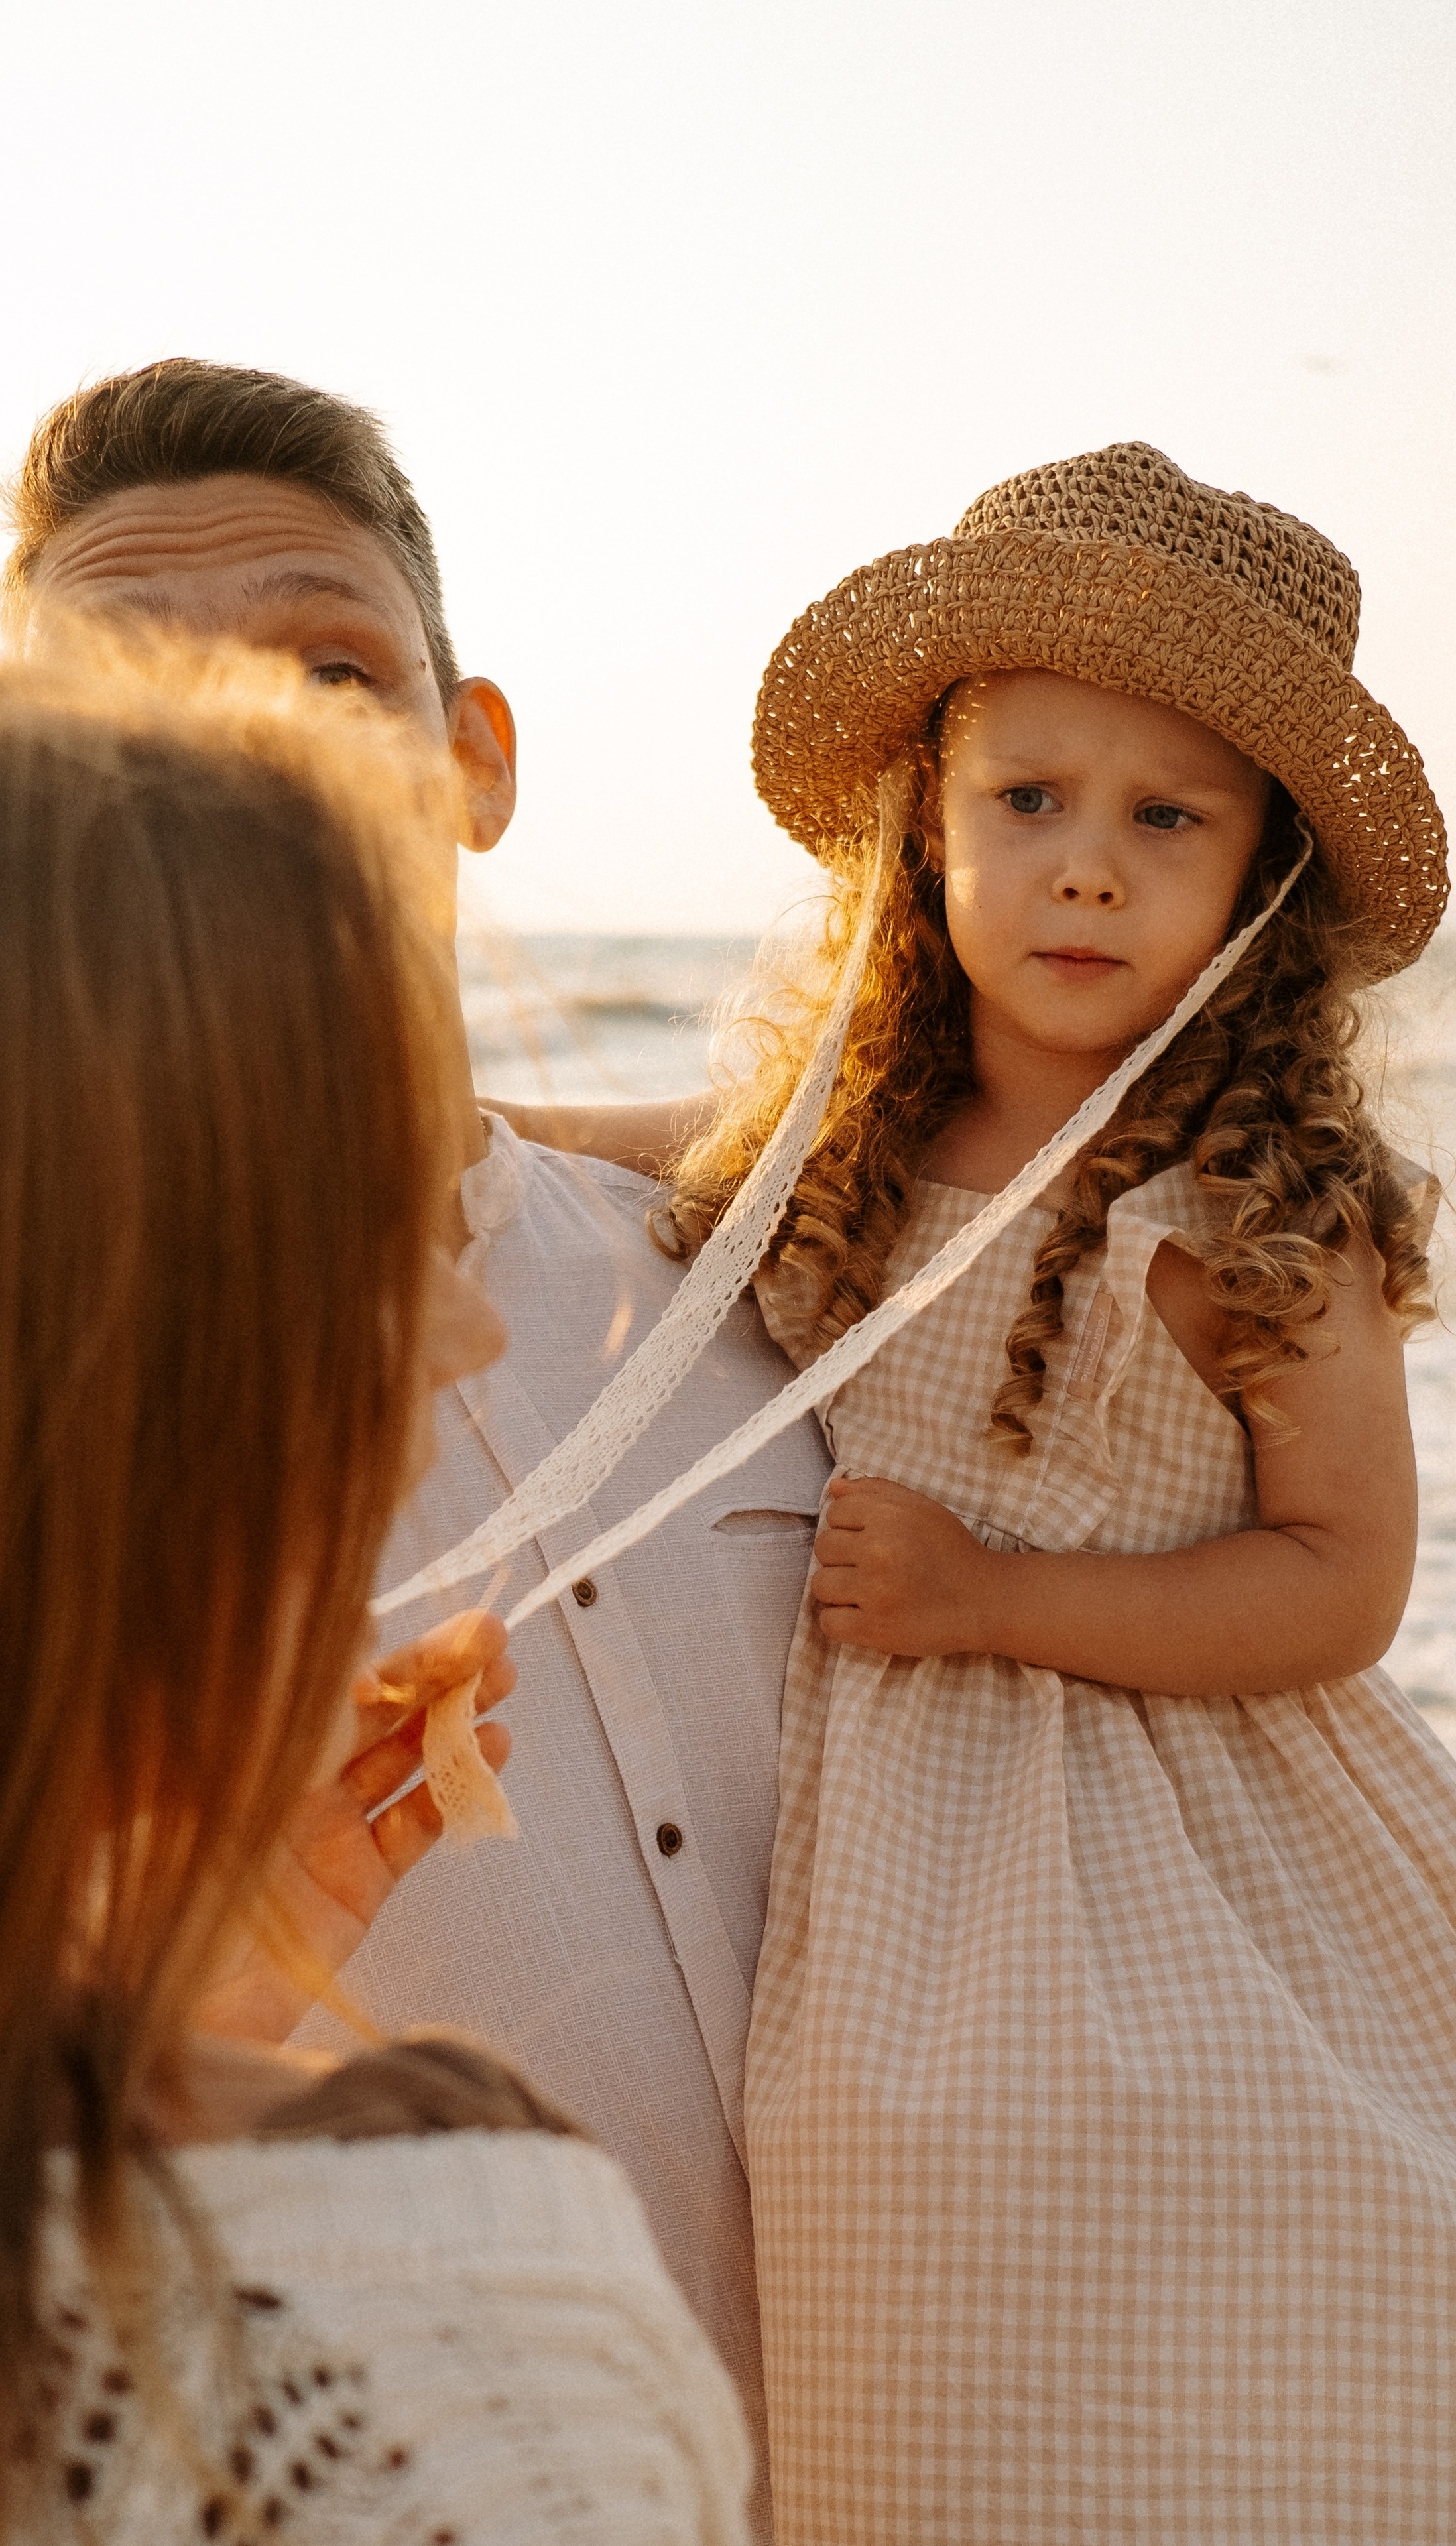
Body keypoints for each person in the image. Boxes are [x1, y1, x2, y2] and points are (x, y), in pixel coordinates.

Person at [0, 637, 753, 2546]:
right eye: (372, 1204)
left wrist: (109, 1991)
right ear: (58, 1366)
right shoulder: (442, 2322)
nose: (472, 1329)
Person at [1, 358, 833, 2523]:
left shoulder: (792, 1270)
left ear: (478, 764)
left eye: (330, 665)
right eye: (125, 693)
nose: (240, 756)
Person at [640, 442, 1453, 2541]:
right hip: (904, 1867)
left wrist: (999, 1593)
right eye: (1031, 802)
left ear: (1262, 882)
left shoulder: (1259, 1215)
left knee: (1277, 2209)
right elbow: (653, 1146)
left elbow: (1345, 1584)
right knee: (881, 2229)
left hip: (1216, 1826)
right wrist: (421, 1108)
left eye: (1165, 818)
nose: (1087, 868)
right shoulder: (851, 1140)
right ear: (929, 830)